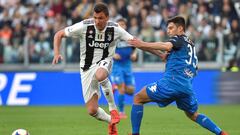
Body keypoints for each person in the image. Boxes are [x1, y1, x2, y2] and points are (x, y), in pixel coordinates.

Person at [127, 16, 228, 135]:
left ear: (180, 29)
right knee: (193, 115)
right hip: (186, 88)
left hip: (171, 83)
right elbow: (164, 54)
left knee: (138, 98)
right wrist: (142, 46)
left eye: (171, 28)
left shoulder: (179, 39)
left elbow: (166, 46)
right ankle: (221, 133)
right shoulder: (190, 45)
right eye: (167, 28)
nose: (168, 31)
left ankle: (135, 134)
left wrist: (142, 43)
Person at [52, 3, 134, 135]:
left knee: (100, 75)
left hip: (105, 61)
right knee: (92, 110)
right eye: (95, 17)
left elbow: (134, 41)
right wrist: (56, 52)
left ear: (107, 17)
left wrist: (157, 51)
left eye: (100, 18)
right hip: (86, 69)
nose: (97, 21)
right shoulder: (85, 26)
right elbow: (58, 34)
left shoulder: (115, 28)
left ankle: (113, 109)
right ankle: (111, 121)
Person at [110, 18, 137, 119]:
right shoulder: (113, 38)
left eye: (123, 24)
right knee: (122, 88)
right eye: (119, 24)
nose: (121, 26)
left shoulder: (129, 37)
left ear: (125, 26)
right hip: (117, 66)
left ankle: (115, 87)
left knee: (131, 91)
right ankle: (121, 112)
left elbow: (135, 49)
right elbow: (106, 51)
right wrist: (113, 55)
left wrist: (134, 54)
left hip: (128, 65)